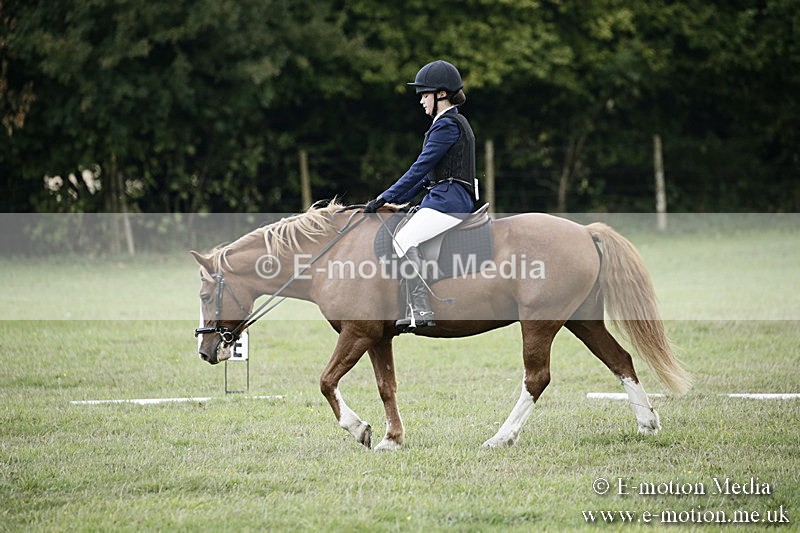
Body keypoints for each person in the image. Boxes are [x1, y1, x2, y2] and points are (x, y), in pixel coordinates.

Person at [364, 60, 477, 331]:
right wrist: (400, 200)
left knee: (404, 238)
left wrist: (382, 197)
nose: (421, 101)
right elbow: (428, 177)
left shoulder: (447, 125)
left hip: (450, 200)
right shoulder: (448, 123)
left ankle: (420, 307)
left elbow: (420, 167)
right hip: (444, 196)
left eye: (424, 95)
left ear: (441, 94)